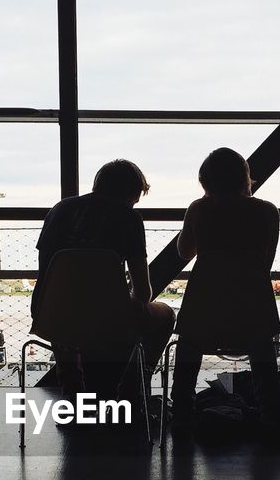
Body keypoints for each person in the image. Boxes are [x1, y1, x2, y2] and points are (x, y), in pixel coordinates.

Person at [33, 159, 174, 399]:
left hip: (51, 314)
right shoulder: (129, 218)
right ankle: (133, 390)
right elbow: (142, 293)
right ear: (132, 194)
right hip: (109, 320)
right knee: (166, 316)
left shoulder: (60, 210)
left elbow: (46, 274)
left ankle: (73, 392)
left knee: (66, 313)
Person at [170, 147, 280, 434]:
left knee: (188, 348)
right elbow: (264, 263)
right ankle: (271, 413)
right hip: (254, 313)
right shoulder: (267, 211)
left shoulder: (199, 208)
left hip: (204, 312)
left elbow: (184, 252)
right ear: (244, 177)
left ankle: (181, 410)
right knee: (263, 352)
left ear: (206, 179)